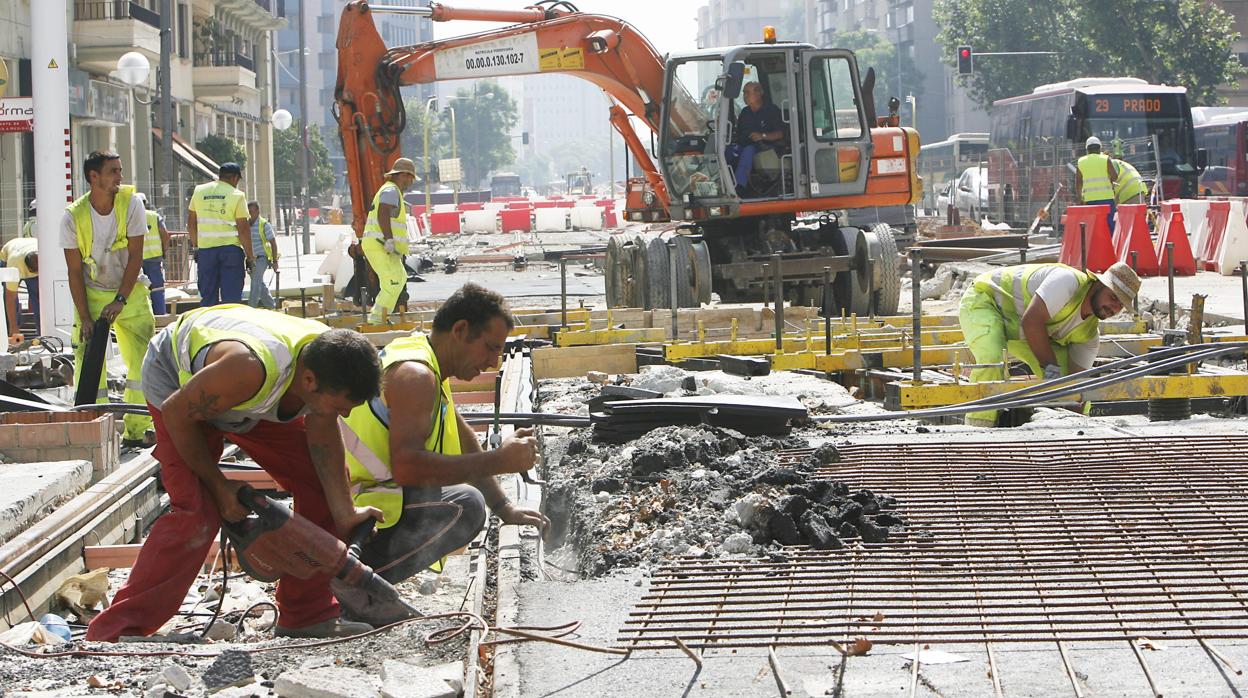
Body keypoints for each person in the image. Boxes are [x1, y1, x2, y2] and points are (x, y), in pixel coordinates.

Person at [86, 305, 384, 642]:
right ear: (310, 381)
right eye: (341, 404)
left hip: (244, 396)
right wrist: (219, 485)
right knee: (199, 511)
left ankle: (306, 615)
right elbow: (177, 414)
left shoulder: (326, 359)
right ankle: (115, 630)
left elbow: (324, 439)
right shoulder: (246, 369)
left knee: (323, 488)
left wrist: (344, 511)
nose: (345, 413)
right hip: (178, 388)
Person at [335, 283, 547, 624]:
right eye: (490, 348)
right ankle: (348, 583)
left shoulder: (429, 363)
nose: (493, 362)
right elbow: (407, 467)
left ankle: (354, 578)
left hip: (375, 502)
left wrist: (505, 507)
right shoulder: (416, 375)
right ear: (460, 330)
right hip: (361, 510)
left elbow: (464, 441)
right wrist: (500, 460)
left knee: (474, 498)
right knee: (464, 505)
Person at [958, 262, 1140, 427]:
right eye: (1113, 297)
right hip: (986, 301)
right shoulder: (1067, 281)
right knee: (992, 360)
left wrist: (1074, 422)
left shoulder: (1089, 337)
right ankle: (977, 428)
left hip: (1021, 330)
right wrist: (1051, 370)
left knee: (1071, 384)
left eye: (1121, 304)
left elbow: (1076, 386)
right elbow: (1031, 322)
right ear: (1098, 285)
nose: (1114, 307)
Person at [60, 151, 155, 447]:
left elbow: (136, 256)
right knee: (89, 361)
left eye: (120, 170)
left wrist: (121, 300)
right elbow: (74, 271)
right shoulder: (73, 216)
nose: (120, 176)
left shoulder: (131, 203)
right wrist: (86, 317)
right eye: (113, 171)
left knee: (144, 359)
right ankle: (91, 427)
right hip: (92, 291)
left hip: (130, 292)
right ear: (94, 177)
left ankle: (137, 431)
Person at [361, 157, 417, 325]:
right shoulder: (391, 191)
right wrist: (389, 240)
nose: (411, 182)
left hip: (382, 245)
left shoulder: (391, 191)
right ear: (404, 175)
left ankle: (380, 317)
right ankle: (376, 321)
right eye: (410, 177)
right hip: (380, 244)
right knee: (393, 282)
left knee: (399, 277)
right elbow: (383, 213)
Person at [188, 162, 252, 306]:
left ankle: (209, 326)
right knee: (231, 299)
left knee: (208, 297)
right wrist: (250, 256)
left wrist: (196, 246)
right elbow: (243, 229)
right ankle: (228, 327)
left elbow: (191, 223)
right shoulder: (237, 195)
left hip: (206, 252)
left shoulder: (199, 191)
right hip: (230, 252)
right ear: (235, 178)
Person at [728, 81, 785, 198]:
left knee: (748, 151)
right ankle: (721, 183)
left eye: (749, 93)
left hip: (766, 147)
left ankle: (740, 187)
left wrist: (762, 136)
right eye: (744, 93)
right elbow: (738, 134)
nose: (745, 96)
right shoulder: (744, 113)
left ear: (760, 94)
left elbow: (780, 134)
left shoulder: (771, 110)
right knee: (729, 151)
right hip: (743, 145)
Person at [136, 193, 172, 316]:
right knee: (157, 288)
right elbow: (165, 235)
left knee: (138, 289)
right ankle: (160, 315)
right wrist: (164, 251)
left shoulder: (129, 217)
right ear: (146, 203)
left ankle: (142, 315)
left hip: (136, 261)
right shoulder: (154, 216)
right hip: (153, 259)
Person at [1075, 136, 1118, 230]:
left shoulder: (1081, 161)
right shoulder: (1105, 159)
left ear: (1087, 149)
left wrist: (1080, 198)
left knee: (1093, 226)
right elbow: (1115, 176)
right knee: (1110, 225)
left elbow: (1078, 182)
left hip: (1089, 199)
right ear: (1099, 148)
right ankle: (1110, 243)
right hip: (1107, 199)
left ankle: (1096, 244)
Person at [0, 237, 37, 342]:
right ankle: (10, 335)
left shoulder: (45, 258)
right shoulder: (14, 265)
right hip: (10, 255)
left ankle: (43, 335)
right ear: (28, 269)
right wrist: (14, 327)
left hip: (30, 247)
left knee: (39, 298)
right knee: (6, 300)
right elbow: (10, 298)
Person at [246, 201, 278, 309]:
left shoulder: (264, 224)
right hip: (250, 259)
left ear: (257, 211)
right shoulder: (246, 224)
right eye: (248, 212)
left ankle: (251, 309)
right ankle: (271, 306)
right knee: (259, 283)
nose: (250, 214)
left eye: (252, 212)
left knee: (255, 284)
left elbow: (273, 243)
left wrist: (275, 261)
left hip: (261, 258)